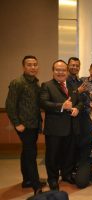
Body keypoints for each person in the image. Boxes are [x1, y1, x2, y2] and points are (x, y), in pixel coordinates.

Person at [40, 60, 83, 190]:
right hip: (55, 129)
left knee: (69, 154)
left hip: (71, 128)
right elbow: (43, 103)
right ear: (53, 71)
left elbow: (79, 102)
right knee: (53, 156)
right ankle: (52, 179)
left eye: (63, 70)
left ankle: (67, 175)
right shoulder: (47, 85)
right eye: (57, 70)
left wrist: (77, 109)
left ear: (67, 71)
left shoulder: (72, 86)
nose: (60, 72)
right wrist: (61, 106)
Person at [5, 55, 45, 195]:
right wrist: (17, 123)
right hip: (24, 126)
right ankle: (36, 186)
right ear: (23, 67)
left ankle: (27, 180)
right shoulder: (17, 82)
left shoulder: (35, 83)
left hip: (33, 125)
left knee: (26, 152)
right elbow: (9, 106)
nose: (33, 67)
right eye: (29, 64)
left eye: (35, 64)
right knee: (31, 154)